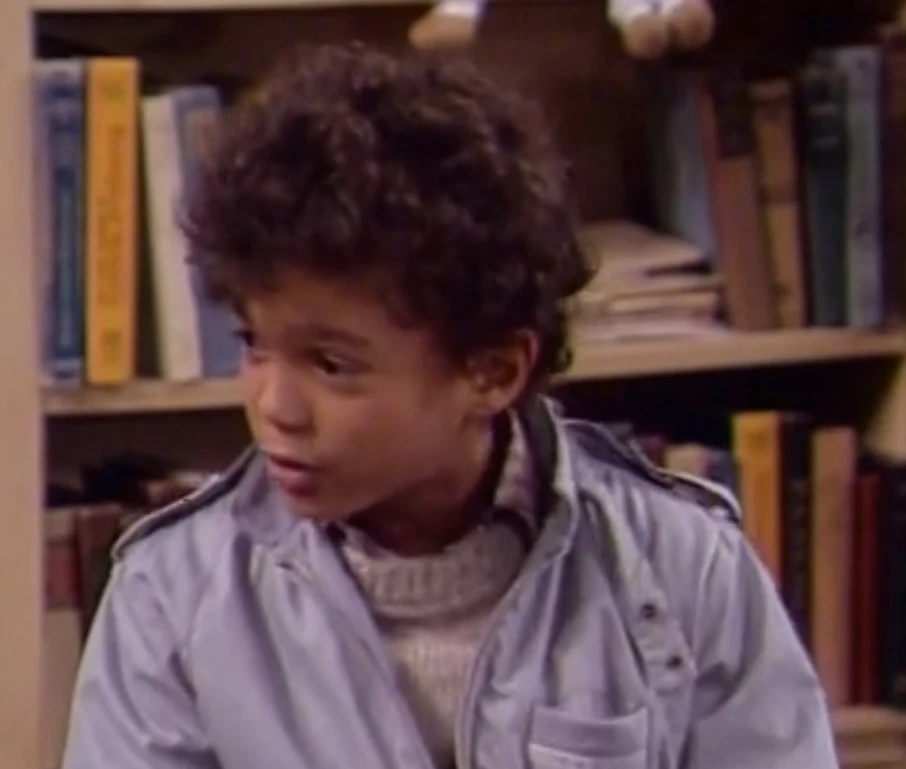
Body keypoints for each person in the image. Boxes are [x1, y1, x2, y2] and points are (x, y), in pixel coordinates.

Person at [61, 42, 838, 769]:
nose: (273, 405)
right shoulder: (172, 594)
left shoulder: (681, 568)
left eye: (331, 363)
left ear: (492, 371)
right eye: (254, 344)